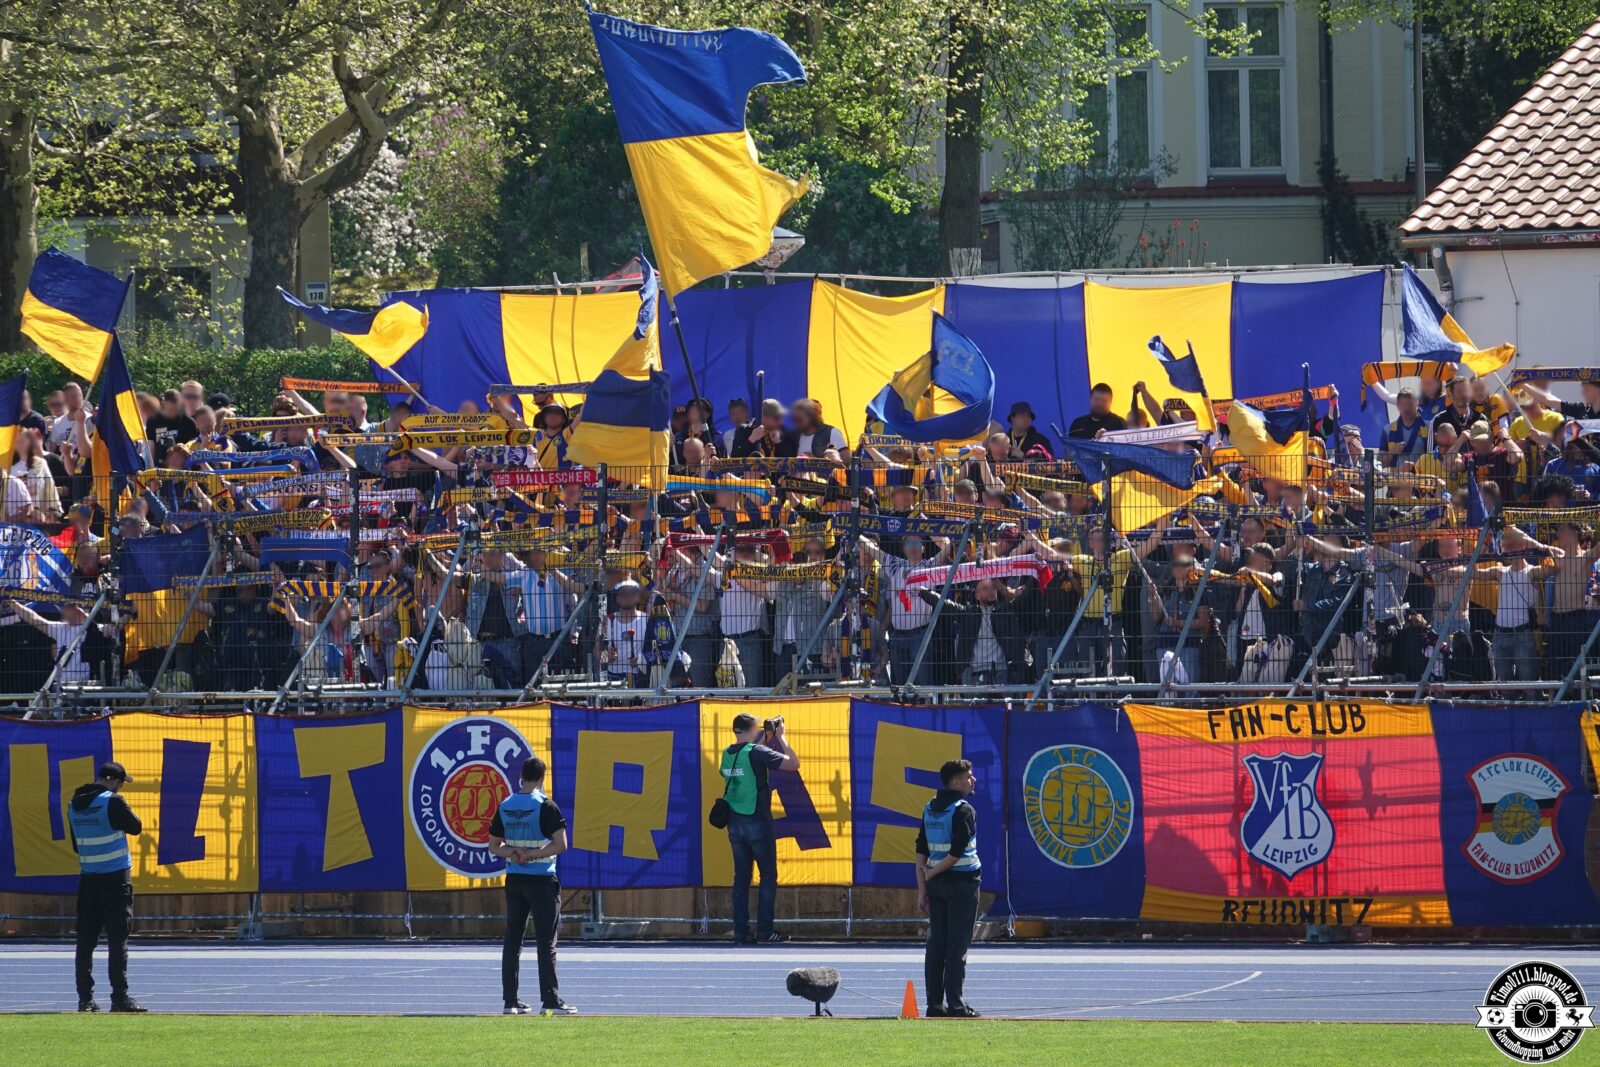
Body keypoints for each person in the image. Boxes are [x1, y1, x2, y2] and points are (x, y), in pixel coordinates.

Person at [487, 757, 575, 1015]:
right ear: (542, 778)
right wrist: (533, 854)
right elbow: (561, 845)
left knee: (513, 939)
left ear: (521, 776)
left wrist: (515, 852)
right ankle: (550, 1000)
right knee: (546, 941)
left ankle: (510, 1001)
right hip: (542, 880)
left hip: (515, 880)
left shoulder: (505, 805)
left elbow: (494, 846)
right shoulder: (546, 805)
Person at [69, 761, 146, 1013]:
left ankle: (85, 999)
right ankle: (120, 998)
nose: (121, 787)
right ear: (113, 781)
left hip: (88, 879)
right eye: (121, 782)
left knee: (85, 941)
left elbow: (76, 846)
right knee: (117, 940)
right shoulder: (113, 801)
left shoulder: (74, 804)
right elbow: (136, 827)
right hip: (115, 879)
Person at [720, 713, 798, 944]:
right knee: (768, 876)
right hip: (758, 821)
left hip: (735, 824)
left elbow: (748, 756)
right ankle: (765, 930)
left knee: (741, 877)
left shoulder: (727, 753)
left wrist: (764, 739)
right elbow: (793, 763)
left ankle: (741, 931)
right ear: (753, 730)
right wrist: (781, 737)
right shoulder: (756, 752)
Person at [916, 758, 981, 1019]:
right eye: (968, 777)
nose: (973, 780)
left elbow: (920, 852)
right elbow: (956, 854)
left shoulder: (930, 808)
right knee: (957, 945)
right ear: (956, 782)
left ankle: (934, 1005)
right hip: (962, 884)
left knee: (936, 945)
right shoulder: (964, 810)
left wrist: (923, 888)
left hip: (937, 887)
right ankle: (955, 1005)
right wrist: (931, 874)